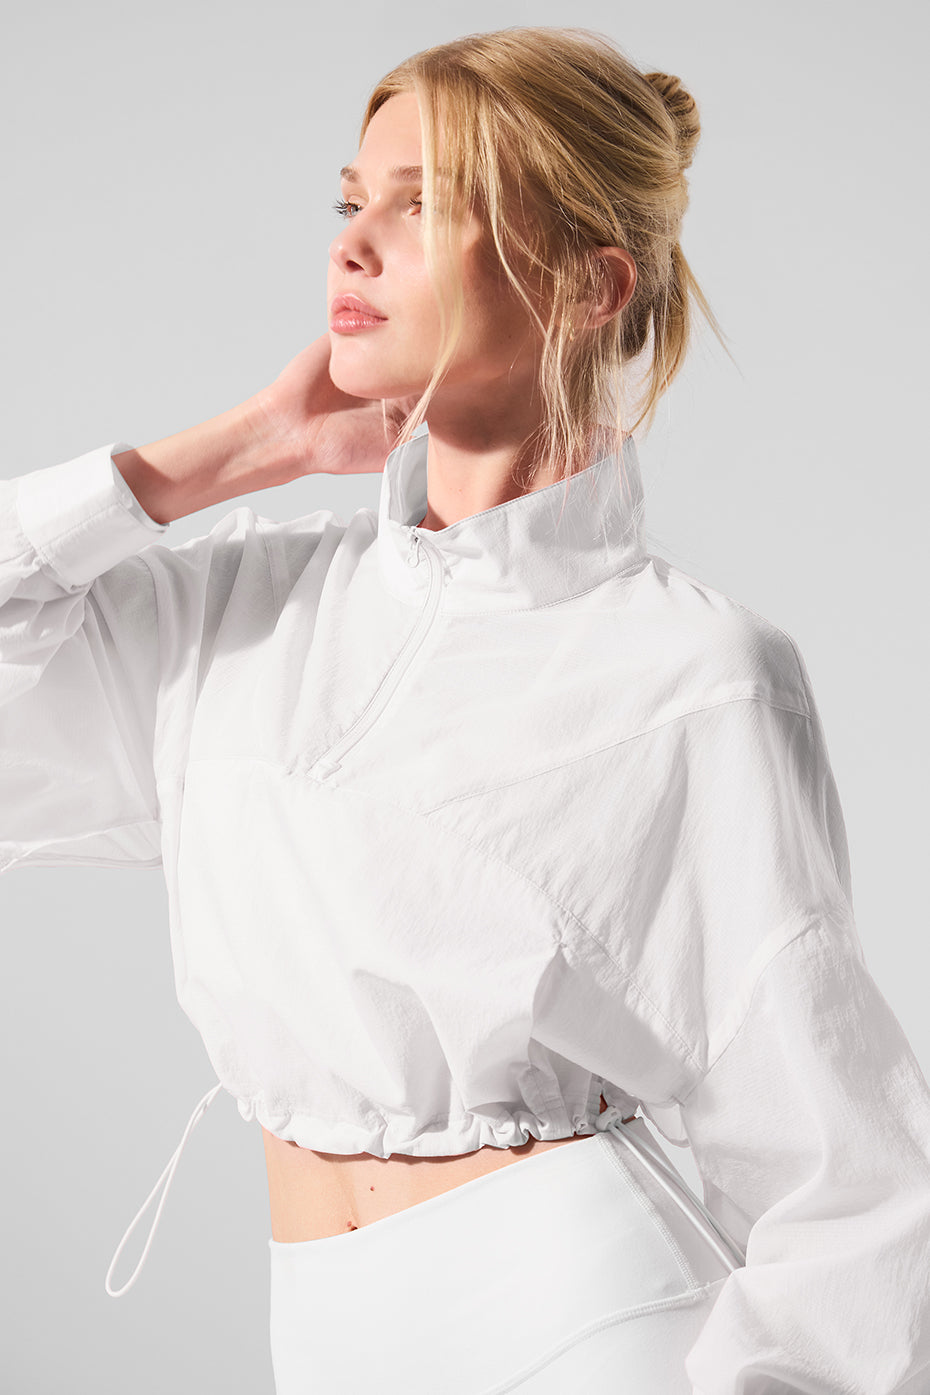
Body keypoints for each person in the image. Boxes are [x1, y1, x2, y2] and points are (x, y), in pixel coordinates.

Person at [2, 23, 929, 1395]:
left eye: (424, 204)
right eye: (348, 200)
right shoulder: (244, 608)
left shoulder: (695, 670)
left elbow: (840, 1164)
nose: (352, 245)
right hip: (322, 1337)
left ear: (589, 284)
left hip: (582, 1328)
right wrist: (224, 457)